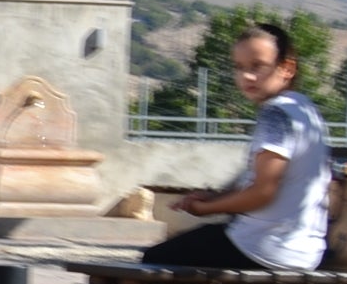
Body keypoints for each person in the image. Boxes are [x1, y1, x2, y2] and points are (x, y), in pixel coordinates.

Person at [141, 23, 329, 270]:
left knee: (153, 262)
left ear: (287, 68)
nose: (247, 77)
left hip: (264, 248)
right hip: (305, 251)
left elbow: (262, 193)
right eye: (239, 67)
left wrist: (205, 208)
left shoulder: (276, 114)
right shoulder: (305, 110)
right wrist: (217, 197)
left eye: (257, 66)